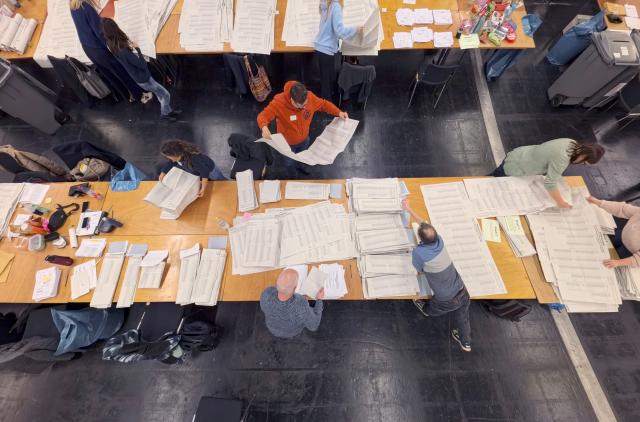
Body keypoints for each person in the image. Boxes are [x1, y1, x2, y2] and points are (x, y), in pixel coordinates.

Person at [402, 199, 472, 352]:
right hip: (461, 288)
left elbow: (419, 269)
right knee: (463, 316)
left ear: (420, 239)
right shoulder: (439, 240)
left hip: (446, 298)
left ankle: (426, 310)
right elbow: (424, 224)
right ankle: (466, 342)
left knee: (433, 309)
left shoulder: (419, 253)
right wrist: (408, 208)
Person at [257, 81, 348, 178]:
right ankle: (292, 176)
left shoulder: (310, 97)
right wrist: (264, 127)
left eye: (306, 104)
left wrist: (338, 112)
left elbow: (323, 105)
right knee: (289, 163)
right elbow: (262, 116)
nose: (304, 107)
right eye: (301, 106)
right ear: (292, 100)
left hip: (304, 140)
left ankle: (301, 166)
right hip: (287, 144)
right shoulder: (278, 103)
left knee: (302, 157)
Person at [101, 18, 181, 121]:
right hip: (144, 77)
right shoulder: (123, 51)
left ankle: (168, 110)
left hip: (140, 77)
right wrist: (138, 49)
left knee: (159, 93)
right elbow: (142, 64)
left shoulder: (110, 44)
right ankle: (165, 114)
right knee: (166, 94)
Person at [491, 139, 605, 208]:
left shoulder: (571, 142)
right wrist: (561, 202)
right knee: (491, 184)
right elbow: (550, 183)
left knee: (493, 178)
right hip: (516, 167)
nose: (581, 165)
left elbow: (552, 160)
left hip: (520, 154)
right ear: (584, 155)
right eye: (584, 163)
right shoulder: (563, 159)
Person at [70, 0, 145, 102]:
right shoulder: (86, 7)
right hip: (99, 49)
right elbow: (100, 33)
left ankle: (125, 96)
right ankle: (139, 95)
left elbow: (86, 24)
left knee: (110, 74)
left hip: (88, 48)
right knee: (121, 71)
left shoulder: (73, 4)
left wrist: (99, 20)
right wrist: (116, 45)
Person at [314, 0, 362, 100]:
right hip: (326, 49)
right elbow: (339, 31)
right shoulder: (336, 6)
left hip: (321, 47)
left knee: (326, 80)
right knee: (326, 85)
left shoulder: (327, 3)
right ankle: (327, 108)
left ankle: (327, 103)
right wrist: (355, 29)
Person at [259, 269, 325, 338]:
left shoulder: (266, 293)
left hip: (272, 328)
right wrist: (319, 300)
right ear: (294, 289)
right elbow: (313, 325)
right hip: (291, 332)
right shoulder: (300, 304)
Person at [159, 140, 226, 198]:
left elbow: (205, 172)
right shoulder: (178, 155)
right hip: (198, 170)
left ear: (175, 154)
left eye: (168, 156)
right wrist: (163, 173)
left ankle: (227, 184)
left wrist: (203, 189)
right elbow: (172, 162)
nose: (168, 158)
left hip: (210, 170)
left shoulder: (193, 159)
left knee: (220, 180)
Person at [587, 196, 640, 269]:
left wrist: (618, 262)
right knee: (597, 244)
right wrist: (599, 202)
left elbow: (638, 260)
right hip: (622, 235)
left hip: (629, 253)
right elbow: (622, 209)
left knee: (605, 263)